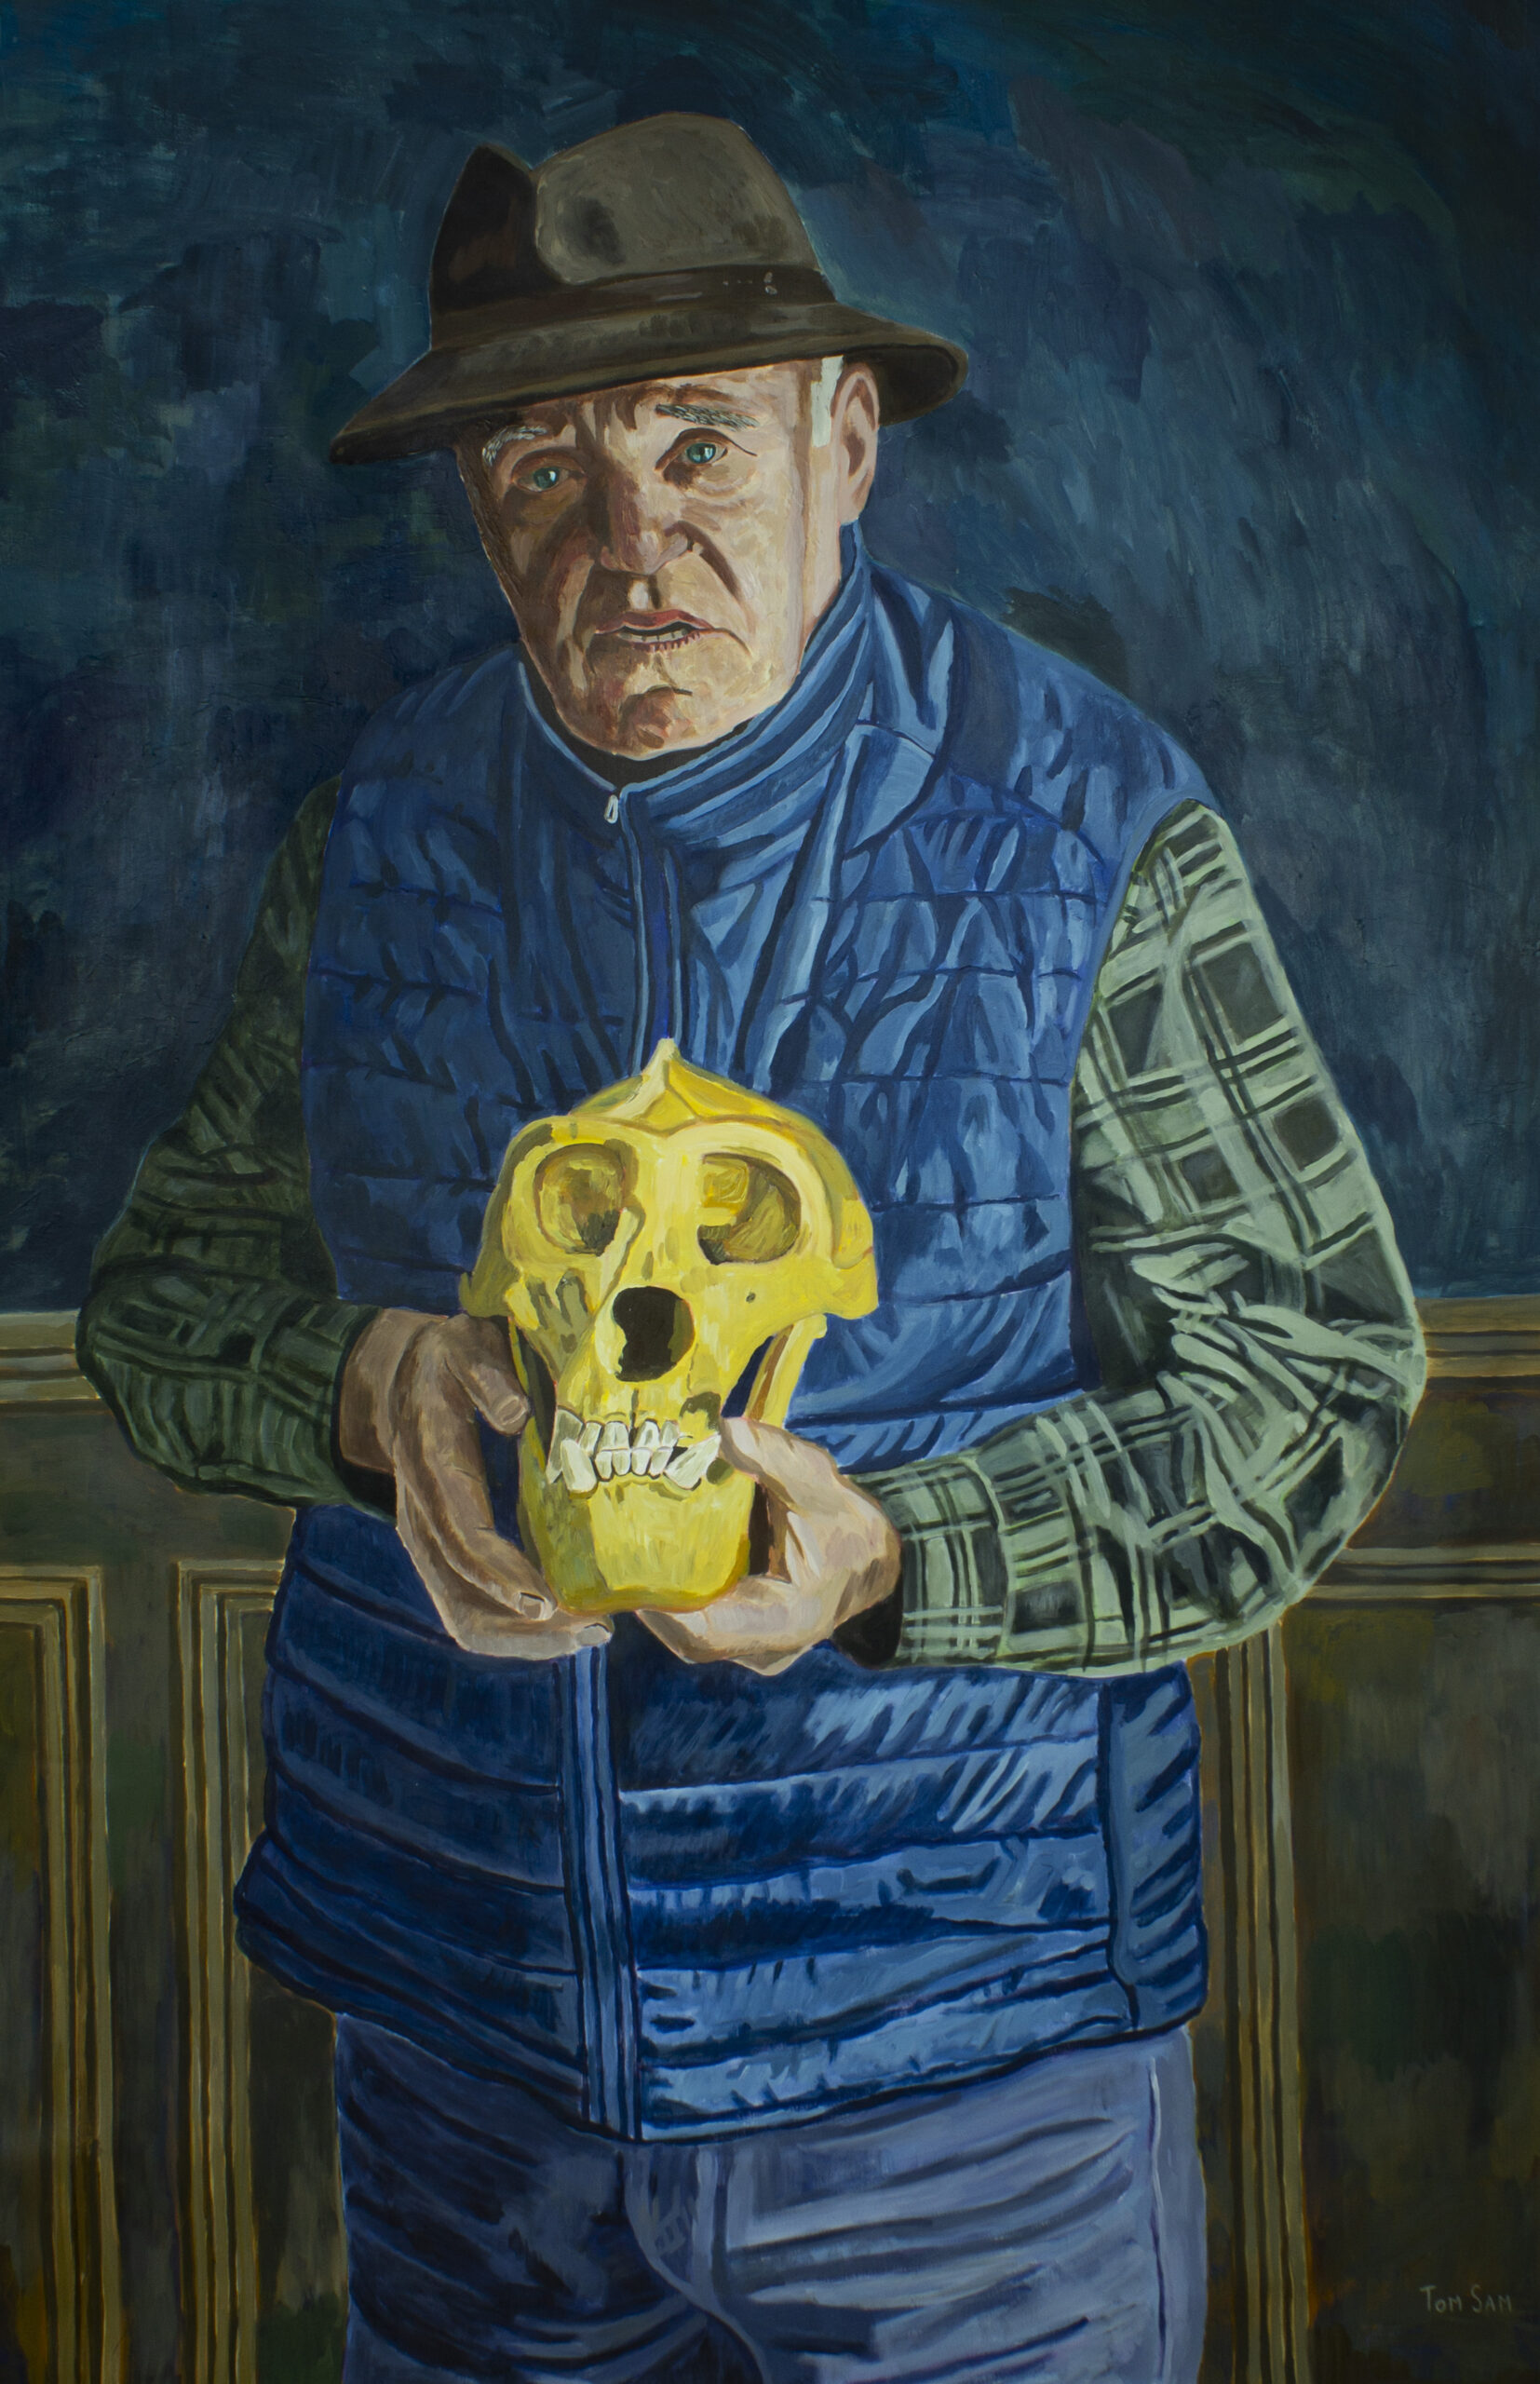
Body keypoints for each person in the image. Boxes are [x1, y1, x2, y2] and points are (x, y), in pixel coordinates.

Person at [79, 113, 1425, 2383]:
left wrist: (899, 1553)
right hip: (465, 2064)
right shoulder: (374, 833)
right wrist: (361, 1387)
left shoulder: (1087, 823)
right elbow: (157, 1308)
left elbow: (1307, 1377)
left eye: (695, 444)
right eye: (544, 468)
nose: (628, 544)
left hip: (962, 2077)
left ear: (844, 441)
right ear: (474, 503)